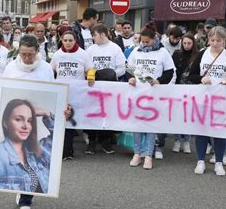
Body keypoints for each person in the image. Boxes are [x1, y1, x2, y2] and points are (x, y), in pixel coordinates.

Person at [0, 34, 64, 209]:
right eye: (23, 54)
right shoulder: (11, 68)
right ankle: (22, 191)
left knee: (32, 156)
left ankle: (25, 202)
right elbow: (2, 93)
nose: (27, 59)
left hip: (33, 121)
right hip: (15, 119)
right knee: (14, 156)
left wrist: (51, 111)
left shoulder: (45, 69)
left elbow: (55, 94)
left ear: (38, 51)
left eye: (30, 55)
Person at [188, 26, 226, 176]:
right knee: (202, 131)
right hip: (203, 99)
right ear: (208, 40)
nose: (215, 43)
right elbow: (191, 75)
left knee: (219, 132)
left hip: (222, 100)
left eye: (219, 40)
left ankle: (219, 162)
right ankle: (200, 161)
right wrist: (201, 78)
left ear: (224, 41)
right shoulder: (202, 54)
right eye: (212, 40)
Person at [127, 26, 175, 169]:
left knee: (150, 125)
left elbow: (169, 72)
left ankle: (148, 155)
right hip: (138, 94)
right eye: (142, 41)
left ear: (154, 40)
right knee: (137, 125)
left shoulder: (163, 53)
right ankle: (137, 153)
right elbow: (129, 68)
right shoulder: (136, 51)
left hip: (154, 94)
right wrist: (130, 78)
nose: (144, 44)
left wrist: (159, 81)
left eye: (147, 42)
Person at [50, 30, 95, 160]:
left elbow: (90, 68)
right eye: (65, 40)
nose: (68, 43)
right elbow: (51, 70)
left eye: (70, 40)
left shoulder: (83, 54)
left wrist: (91, 76)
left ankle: (70, 150)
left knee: (71, 121)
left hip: (77, 93)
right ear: (61, 41)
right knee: (62, 121)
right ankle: (63, 150)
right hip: (61, 92)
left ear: (75, 40)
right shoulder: (57, 55)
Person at [0, 99, 53, 194]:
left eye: (30, 121)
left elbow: (59, 136)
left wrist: (46, 113)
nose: (26, 126)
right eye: (18, 119)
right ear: (5, 123)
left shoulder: (38, 149)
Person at [85, 24, 125, 154]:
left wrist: (109, 74)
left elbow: (122, 68)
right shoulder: (90, 50)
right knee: (93, 114)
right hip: (94, 87)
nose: (93, 38)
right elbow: (86, 67)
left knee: (108, 114)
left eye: (94, 35)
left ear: (103, 35)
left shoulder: (115, 49)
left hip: (110, 87)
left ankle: (105, 141)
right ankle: (92, 141)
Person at [168, 33, 199, 154]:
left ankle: (187, 141)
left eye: (189, 43)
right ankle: (177, 140)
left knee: (189, 116)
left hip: (192, 89)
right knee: (178, 115)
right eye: (184, 43)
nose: (186, 45)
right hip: (178, 88)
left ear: (193, 44)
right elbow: (173, 70)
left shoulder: (197, 56)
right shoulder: (177, 54)